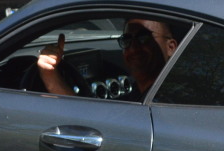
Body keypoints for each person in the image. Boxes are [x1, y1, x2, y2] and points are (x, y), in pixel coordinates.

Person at [36, 19, 178, 101]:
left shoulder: (169, 100)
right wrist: (50, 73)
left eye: (143, 38)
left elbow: (87, 120)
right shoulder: (140, 96)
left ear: (171, 47)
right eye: (127, 40)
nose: (133, 48)